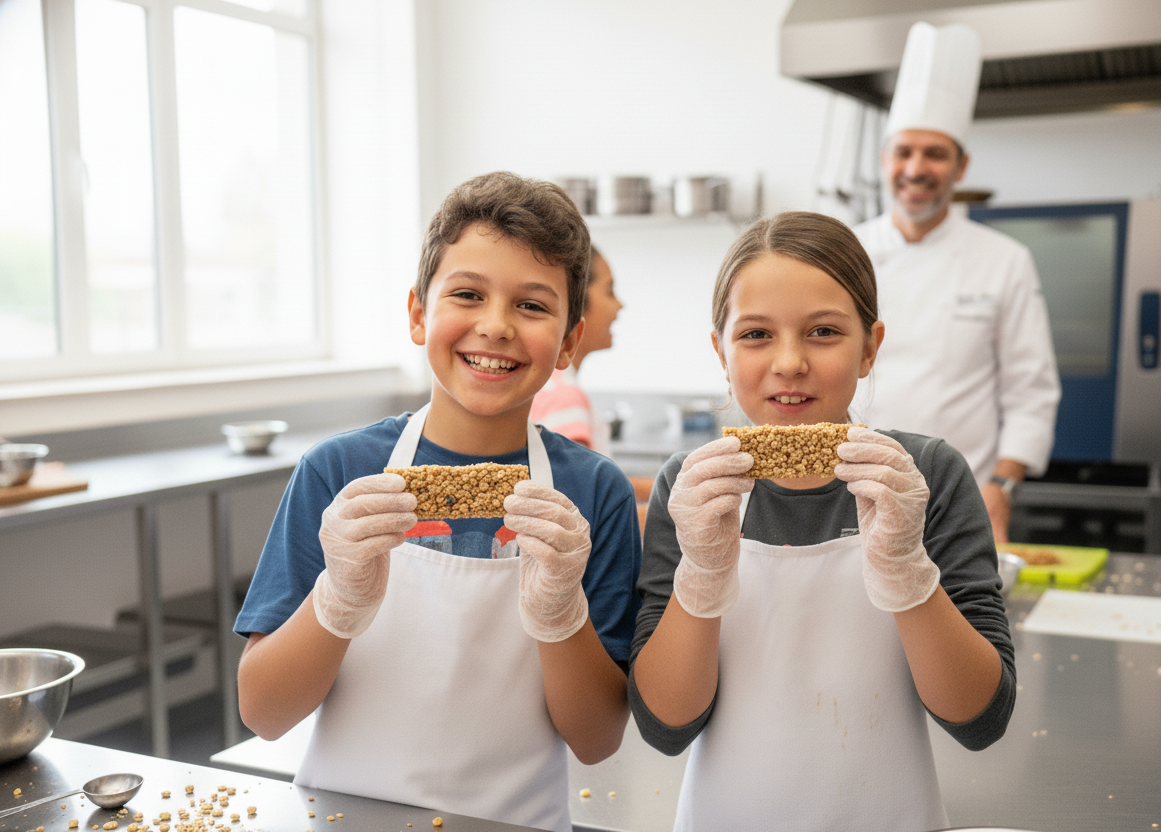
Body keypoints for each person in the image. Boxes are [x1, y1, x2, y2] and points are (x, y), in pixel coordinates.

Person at [234, 172, 642, 832]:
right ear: (418, 314)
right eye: (467, 294)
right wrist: (337, 599)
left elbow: (597, 741)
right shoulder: (338, 472)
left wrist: (561, 614)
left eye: (531, 305)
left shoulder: (594, 493)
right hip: (345, 818)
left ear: (569, 341)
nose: (495, 326)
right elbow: (263, 713)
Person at [629, 212, 1015, 831]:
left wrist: (908, 573)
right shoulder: (694, 486)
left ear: (870, 347)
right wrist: (700, 577)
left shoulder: (925, 476)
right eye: (756, 334)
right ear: (721, 352)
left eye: (824, 332)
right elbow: (665, 727)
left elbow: (980, 721)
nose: (789, 362)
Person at [851, 21, 1060, 544]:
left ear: (961, 166)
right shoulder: (844, 252)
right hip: (851, 494)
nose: (916, 168)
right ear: (884, 160)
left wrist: (1002, 486)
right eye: (904, 152)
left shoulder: (1005, 260)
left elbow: (1031, 391)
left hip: (960, 503)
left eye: (935, 154)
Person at [530, 245, 623, 456]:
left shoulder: (547, 383)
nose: (619, 304)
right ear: (576, 301)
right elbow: (574, 475)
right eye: (609, 291)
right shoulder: (563, 395)